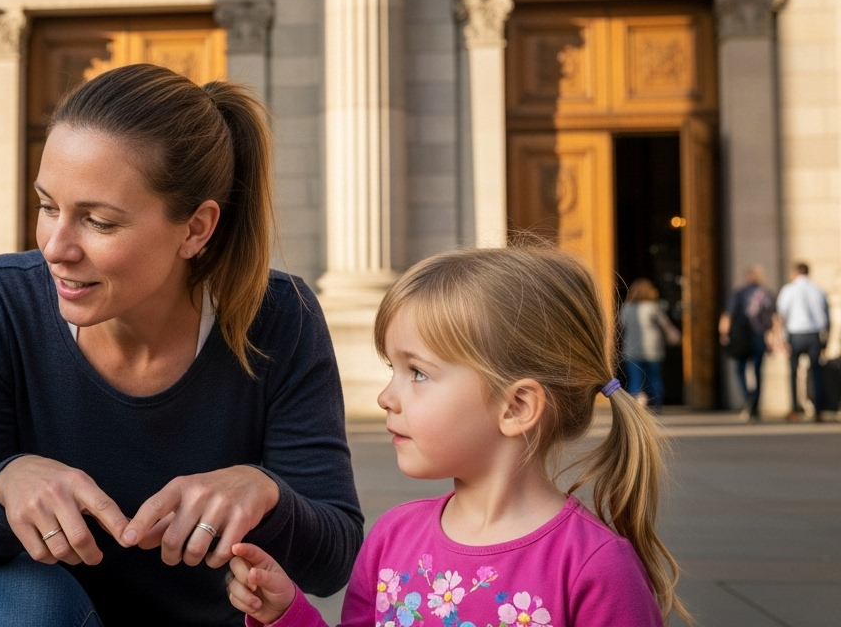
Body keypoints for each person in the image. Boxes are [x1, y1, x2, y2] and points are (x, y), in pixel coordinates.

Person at [0, 64, 362, 627]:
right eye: (48, 207)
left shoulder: (281, 316)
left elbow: (332, 563)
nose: (56, 247)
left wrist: (266, 493)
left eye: (98, 222)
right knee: (18, 600)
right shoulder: (1, 299)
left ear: (195, 229)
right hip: (50, 615)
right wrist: (3, 486)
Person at [226, 247, 691, 627]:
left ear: (516, 407)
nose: (387, 397)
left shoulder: (595, 566)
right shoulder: (391, 538)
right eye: (392, 369)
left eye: (417, 373)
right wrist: (287, 613)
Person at [777, 261, 831, 422]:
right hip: (814, 335)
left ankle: (795, 409)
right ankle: (818, 410)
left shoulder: (788, 290)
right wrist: (826, 339)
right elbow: (827, 317)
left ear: (795, 273)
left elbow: (781, 316)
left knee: (793, 373)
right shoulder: (818, 290)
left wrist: (780, 338)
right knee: (816, 373)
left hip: (796, 335)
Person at [719, 265, 776, 421]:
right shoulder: (766, 294)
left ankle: (748, 397)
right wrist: (773, 339)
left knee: (740, 369)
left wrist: (724, 334)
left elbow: (728, 315)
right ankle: (755, 403)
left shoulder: (739, 293)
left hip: (741, 336)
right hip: (759, 335)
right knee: (757, 370)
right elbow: (773, 319)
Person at [619, 278, 680, 412]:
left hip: (632, 349)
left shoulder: (626, 308)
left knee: (635, 379)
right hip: (653, 349)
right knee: (654, 378)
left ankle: (636, 407)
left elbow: (621, 326)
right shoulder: (653, 307)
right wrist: (675, 337)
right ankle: (656, 406)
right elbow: (666, 326)